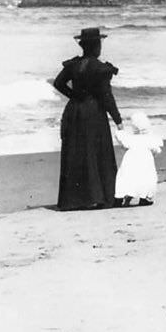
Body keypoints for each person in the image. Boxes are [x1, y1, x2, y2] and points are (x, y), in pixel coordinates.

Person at [53, 27, 124, 210]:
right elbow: (106, 96)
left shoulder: (74, 65)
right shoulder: (100, 68)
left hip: (74, 111)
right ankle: (101, 197)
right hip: (94, 113)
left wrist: (75, 95)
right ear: (96, 46)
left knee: (76, 152)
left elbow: (58, 83)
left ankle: (74, 200)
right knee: (98, 152)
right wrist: (118, 119)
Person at [114, 111, 163, 207]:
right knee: (146, 178)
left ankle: (119, 198)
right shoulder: (150, 138)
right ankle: (143, 198)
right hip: (145, 160)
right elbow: (157, 150)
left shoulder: (131, 138)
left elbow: (121, 139)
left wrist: (120, 130)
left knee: (126, 177)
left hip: (130, 159)